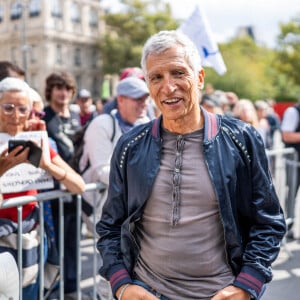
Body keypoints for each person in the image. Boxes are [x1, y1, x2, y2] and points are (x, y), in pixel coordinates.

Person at [96, 30, 286, 300]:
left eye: (178, 73)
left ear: (199, 78)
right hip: (147, 292)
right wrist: (123, 285)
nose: (168, 87)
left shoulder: (240, 139)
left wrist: (246, 285)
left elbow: (268, 223)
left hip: (221, 293)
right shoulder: (131, 145)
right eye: (156, 77)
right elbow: (110, 227)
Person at [0, 77, 85, 299]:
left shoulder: (37, 141)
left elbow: (79, 185)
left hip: (32, 237)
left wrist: (48, 165)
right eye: (8, 107)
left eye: (22, 109)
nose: (16, 115)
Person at [42, 72, 88, 299]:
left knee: (73, 241)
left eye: (67, 88)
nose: (62, 93)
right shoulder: (43, 116)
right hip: (52, 191)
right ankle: (54, 290)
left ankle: (71, 287)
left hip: (75, 189)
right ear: (50, 90)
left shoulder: (76, 116)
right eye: (58, 88)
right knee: (55, 244)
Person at [80, 77, 149, 227]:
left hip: (130, 206)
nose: (144, 103)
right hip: (100, 208)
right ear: (121, 100)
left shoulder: (144, 123)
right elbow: (102, 170)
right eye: (138, 99)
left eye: (145, 98)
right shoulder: (102, 124)